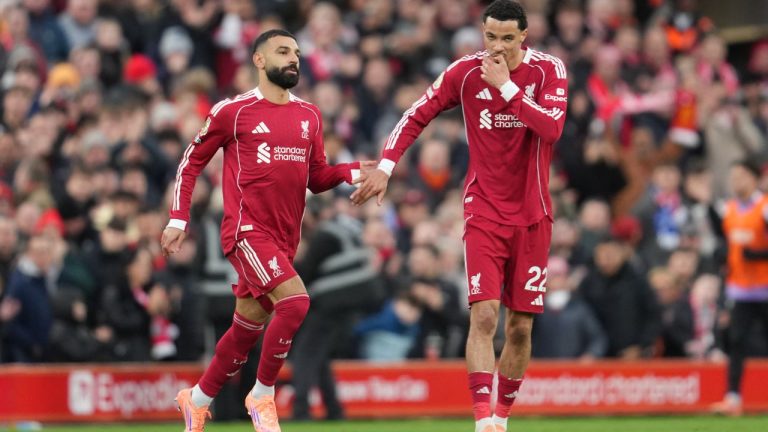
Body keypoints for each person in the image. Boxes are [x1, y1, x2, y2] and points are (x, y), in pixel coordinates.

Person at [351, 1, 568, 431]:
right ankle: (482, 420)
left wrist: (507, 89)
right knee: (485, 315)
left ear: (524, 36)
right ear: (482, 33)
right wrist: (387, 166)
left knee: (520, 328)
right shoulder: (464, 72)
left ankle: (502, 417)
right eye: (491, 37)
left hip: (533, 215)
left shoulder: (549, 71)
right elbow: (417, 113)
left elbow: (552, 128)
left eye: (508, 38)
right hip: (483, 210)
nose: (498, 47)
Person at [161, 29, 372, 432]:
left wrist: (353, 171)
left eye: (296, 52)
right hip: (245, 231)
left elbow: (317, 177)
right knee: (295, 303)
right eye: (282, 51)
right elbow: (191, 162)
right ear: (259, 60)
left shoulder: (309, 114)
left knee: (245, 330)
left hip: (285, 238)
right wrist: (178, 218)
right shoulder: (233, 111)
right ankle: (262, 394)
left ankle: (198, 399)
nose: (293, 58)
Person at [711, 160, 768, 416]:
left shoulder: (764, 208)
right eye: (733, 176)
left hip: (765, 286)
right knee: (736, 342)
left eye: (742, 176)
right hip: (740, 289)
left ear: (755, 178)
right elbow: (727, 247)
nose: (736, 181)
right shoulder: (729, 209)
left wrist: (756, 255)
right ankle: (733, 398)